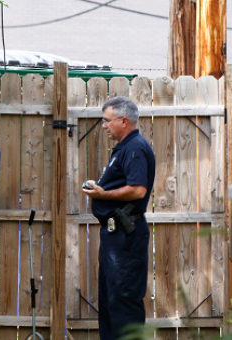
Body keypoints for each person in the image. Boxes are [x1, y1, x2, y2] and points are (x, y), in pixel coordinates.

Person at [82, 96, 156, 340]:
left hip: (126, 236)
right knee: (111, 301)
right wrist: (100, 188)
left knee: (123, 301)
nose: (104, 125)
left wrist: (104, 193)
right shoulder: (125, 148)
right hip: (116, 235)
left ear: (123, 121)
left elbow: (138, 189)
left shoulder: (135, 148)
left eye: (107, 120)